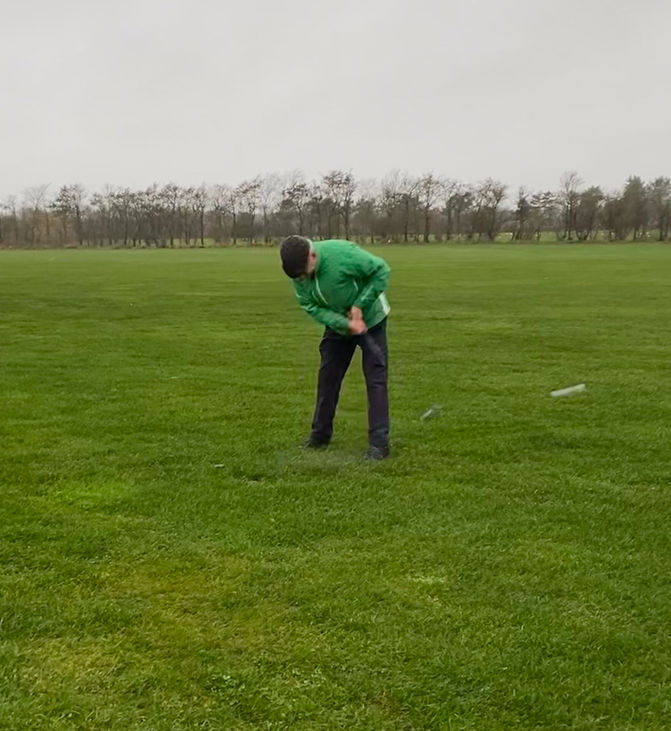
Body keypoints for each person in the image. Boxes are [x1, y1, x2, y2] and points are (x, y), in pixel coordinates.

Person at [280, 235, 391, 460]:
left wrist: (360, 305)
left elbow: (381, 271)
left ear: (312, 256)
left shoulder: (343, 254)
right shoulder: (298, 272)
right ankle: (320, 436)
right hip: (338, 326)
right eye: (298, 278)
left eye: (304, 273)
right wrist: (345, 324)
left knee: (376, 380)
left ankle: (379, 444)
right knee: (328, 378)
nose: (302, 279)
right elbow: (311, 306)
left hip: (372, 321)